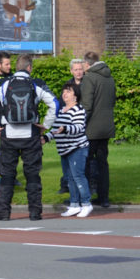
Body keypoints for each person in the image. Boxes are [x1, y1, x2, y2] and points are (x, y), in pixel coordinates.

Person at [0, 54, 58, 221]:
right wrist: (46, 125)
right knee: (32, 174)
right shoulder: (36, 84)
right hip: (31, 134)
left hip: (8, 135)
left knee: (7, 174)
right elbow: (54, 104)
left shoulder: (3, 84)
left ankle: (3, 213)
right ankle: (35, 213)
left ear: (16, 67)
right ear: (29, 68)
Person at [42, 82, 93, 218]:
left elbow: (79, 127)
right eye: (64, 91)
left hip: (77, 148)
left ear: (75, 95)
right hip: (64, 150)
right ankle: (74, 205)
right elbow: (55, 129)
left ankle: (86, 204)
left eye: (68, 91)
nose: (65, 94)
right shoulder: (61, 110)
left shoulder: (78, 110)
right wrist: (46, 138)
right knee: (69, 178)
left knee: (78, 176)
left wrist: (65, 128)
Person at [80, 51, 116, 208]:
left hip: (92, 128)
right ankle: (104, 198)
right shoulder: (110, 77)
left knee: (86, 163)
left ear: (87, 64)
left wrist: (80, 123)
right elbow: (112, 101)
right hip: (106, 126)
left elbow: (87, 105)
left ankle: (85, 197)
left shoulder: (89, 78)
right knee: (103, 163)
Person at [58, 58, 86, 195]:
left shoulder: (88, 84)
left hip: (82, 125)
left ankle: (84, 192)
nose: (78, 72)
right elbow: (62, 104)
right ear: (71, 71)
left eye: (80, 69)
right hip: (68, 128)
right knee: (66, 160)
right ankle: (66, 185)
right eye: (76, 69)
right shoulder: (68, 86)